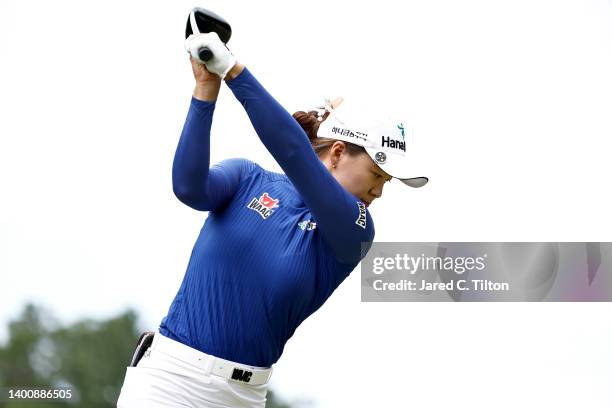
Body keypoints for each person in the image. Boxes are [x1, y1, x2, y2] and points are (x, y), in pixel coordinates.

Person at [117, 31, 427, 408]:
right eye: (377, 175)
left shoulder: (356, 229)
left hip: (243, 397)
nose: (379, 191)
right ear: (338, 152)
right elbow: (188, 187)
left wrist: (234, 69)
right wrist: (206, 89)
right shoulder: (248, 179)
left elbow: (294, 153)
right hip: (169, 380)